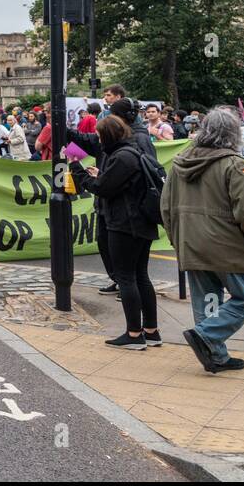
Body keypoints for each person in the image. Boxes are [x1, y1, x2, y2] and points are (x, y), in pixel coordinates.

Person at [161, 108, 244, 373]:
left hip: (191, 242)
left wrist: (177, 239)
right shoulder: (235, 164)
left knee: (208, 299)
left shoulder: (180, 162)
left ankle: (215, 355)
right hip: (228, 246)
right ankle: (207, 336)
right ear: (233, 133)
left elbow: (166, 207)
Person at [83, 115, 162, 349]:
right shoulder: (132, 152)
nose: (97, 139)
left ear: (108, 135)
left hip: (126, 224)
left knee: (126, 277)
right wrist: (102, 175)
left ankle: (134, 334)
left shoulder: (122, 157)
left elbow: (103, 189)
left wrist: (78, 172)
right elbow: (117, 183)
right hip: (142, 223)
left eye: (99, 135)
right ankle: (151, 330)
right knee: (141, 276)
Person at [67, 97, 154, 296]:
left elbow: (105, 186)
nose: (98, 140)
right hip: (116, 210)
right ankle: (127, 290)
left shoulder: (132, 145)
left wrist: (76, 164)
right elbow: (84, 143)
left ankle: (128, 292)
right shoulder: (116, 145)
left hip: (126, 214)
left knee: (132, 273)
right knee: (108, 248)